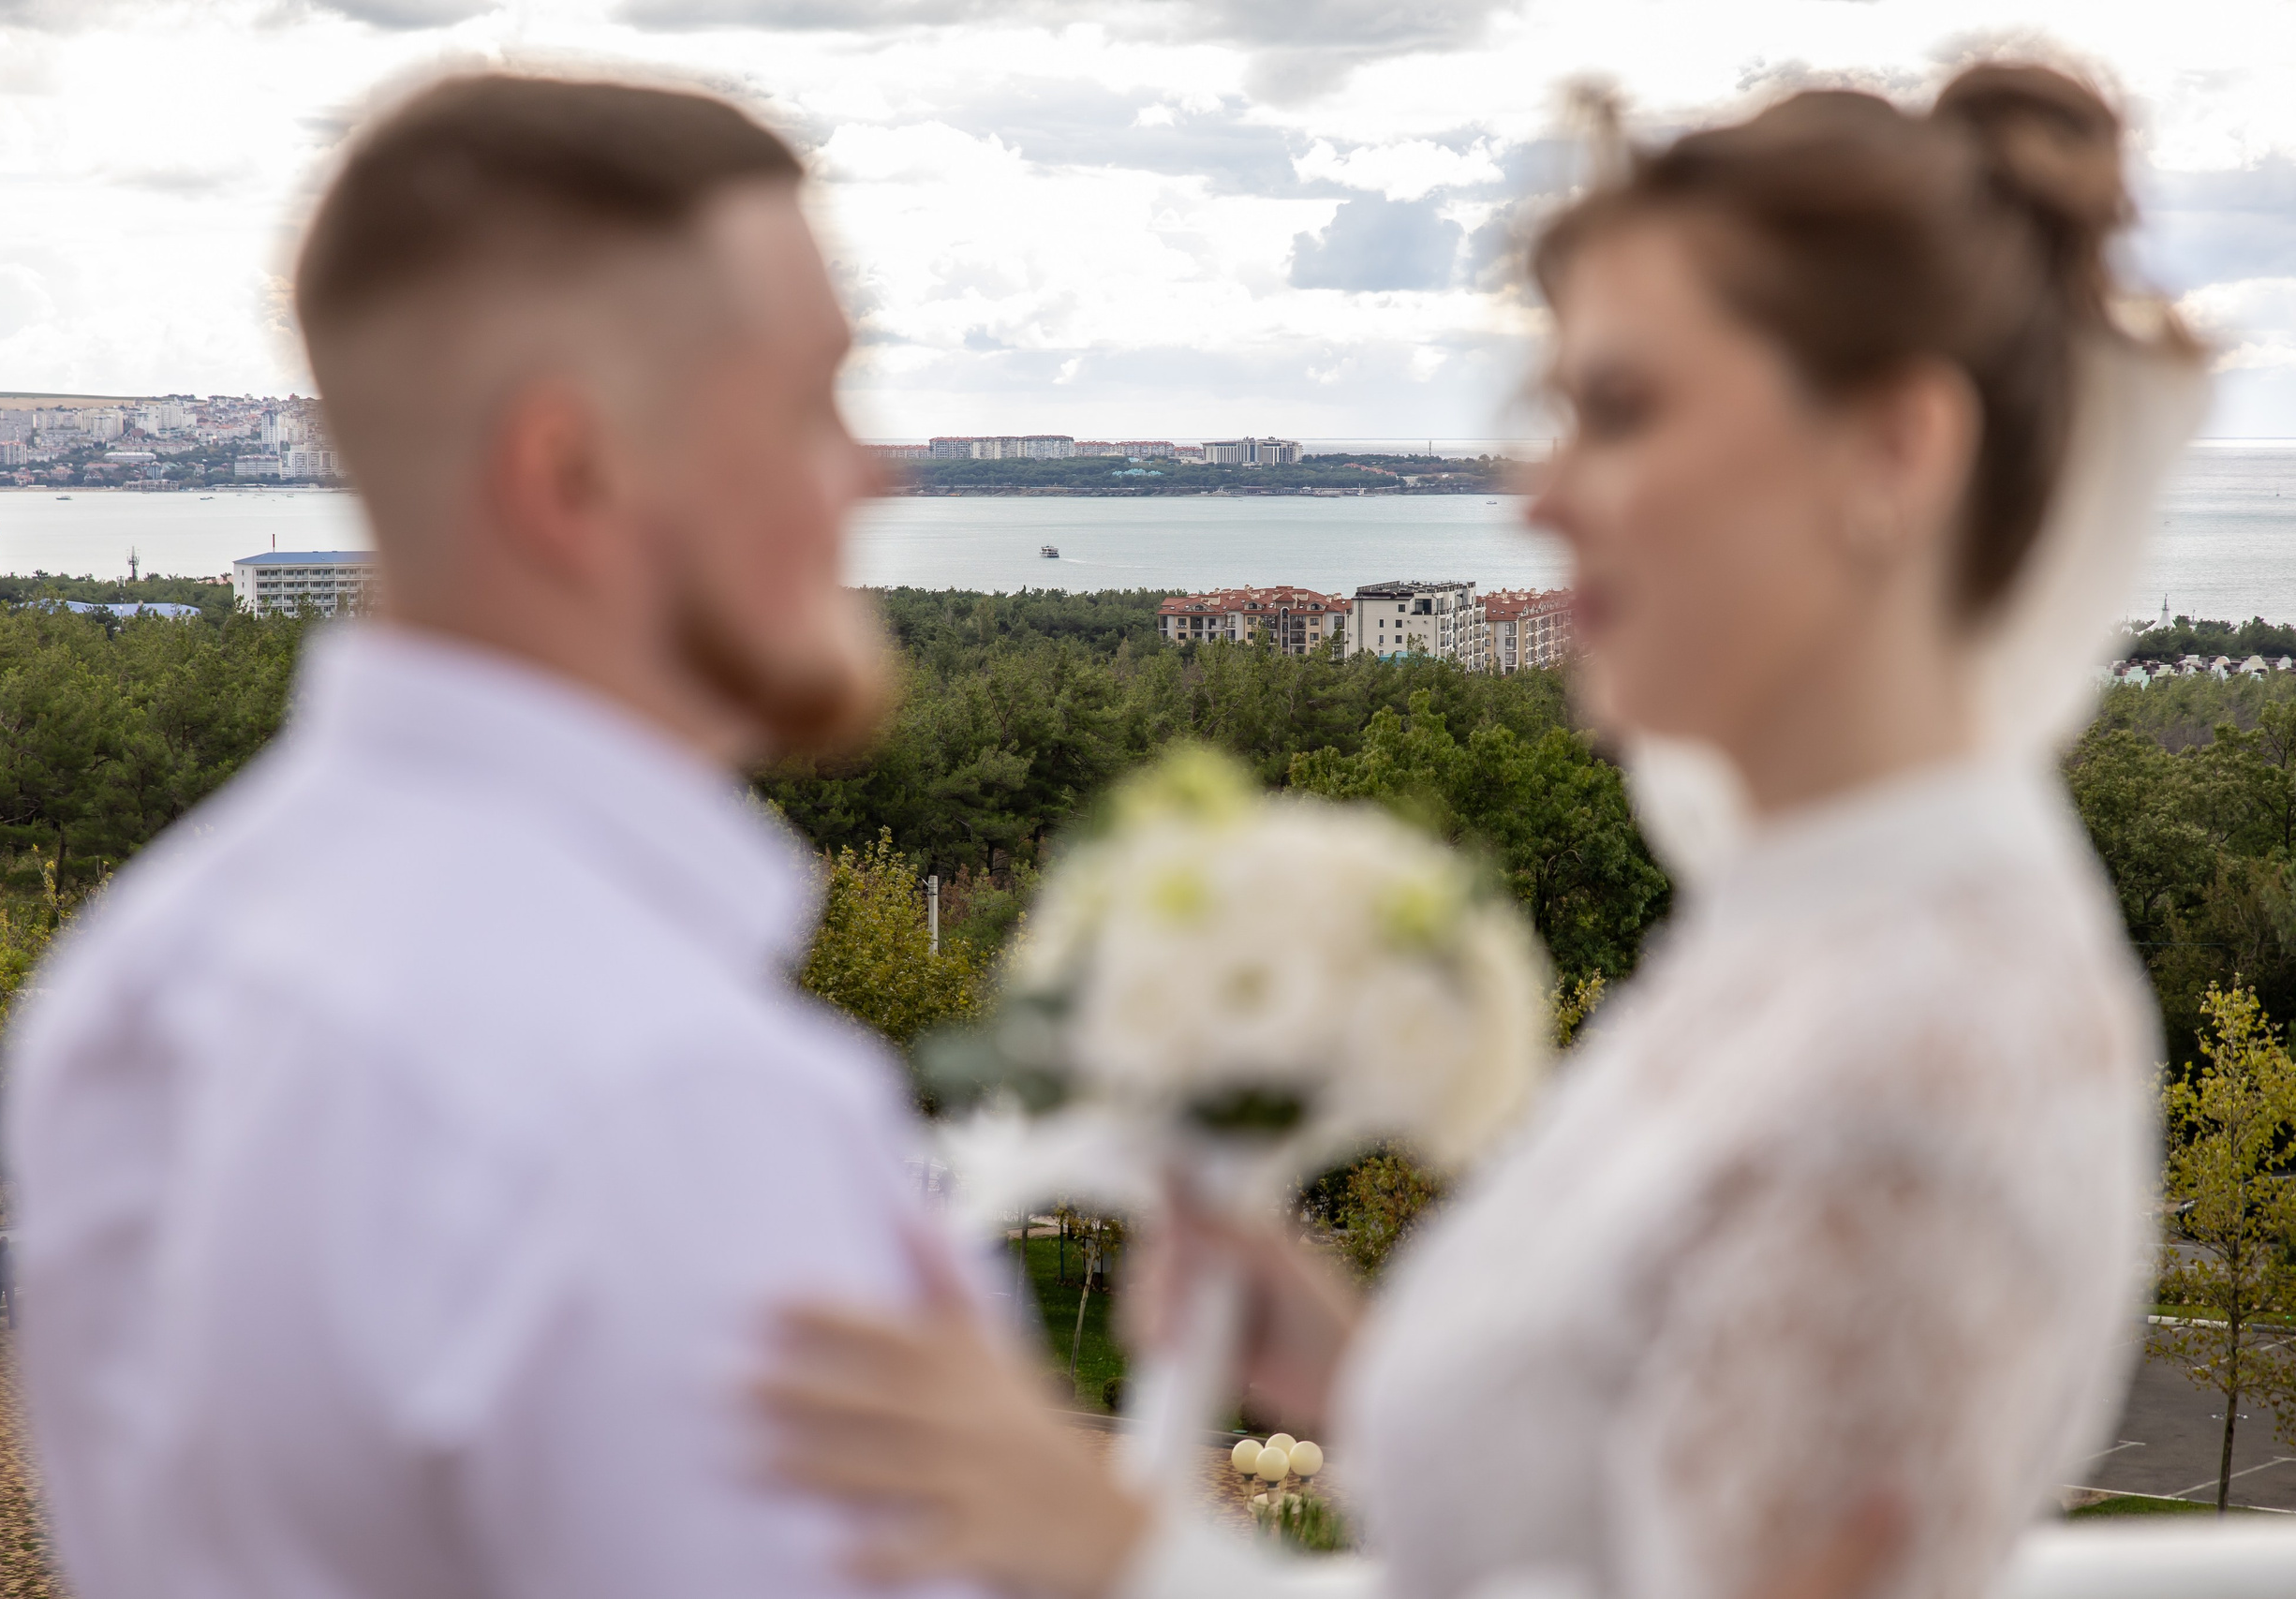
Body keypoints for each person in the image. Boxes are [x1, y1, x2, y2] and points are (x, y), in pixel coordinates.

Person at [757, 64, 2211, 1599]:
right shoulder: (1815, 926)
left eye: (1621, 411)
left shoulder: (1914, 1056)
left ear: (1895, 450)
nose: (1541, 496)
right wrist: (1368, 1379)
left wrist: (1121, 1557)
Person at [0, 73, 969, 1599]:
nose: (874, 470)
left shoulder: (133, 982)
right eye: (810, 402)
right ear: (571, 470)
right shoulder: (668, 1097)